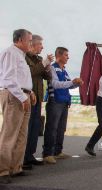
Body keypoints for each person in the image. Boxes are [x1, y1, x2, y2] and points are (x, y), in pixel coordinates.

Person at [0, 29, 36, 184]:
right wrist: (22, 96)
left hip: (23, 95)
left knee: (22, 134)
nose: (31, 43)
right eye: (29, 40)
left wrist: (30, 91)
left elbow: (20, 78)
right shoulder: (11, 53)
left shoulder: (21, 55)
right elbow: (8, 79)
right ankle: (2, 171)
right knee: (9, 135)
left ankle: (15, 168)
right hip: (15, 97)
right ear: (20, 40)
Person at [42, 47, 83, 164]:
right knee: (52, 128)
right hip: (55, 101)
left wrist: (77, 84)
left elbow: (69, 85)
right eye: (66, 55)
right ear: (59, 56)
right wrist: (72, 82)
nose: (68, 57)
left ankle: (57, 151)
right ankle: (47, 154)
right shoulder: (52, 68)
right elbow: (55, 84)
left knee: (61, 128)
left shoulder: (64, 70)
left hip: (64, 101)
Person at [23, 34, 53, 170]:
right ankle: (22, 158)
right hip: (27, 98)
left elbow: (48, 77)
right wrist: (44, 63)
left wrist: (47, 66)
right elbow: (30, 73)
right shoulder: (24, 57)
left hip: (38, 99)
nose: (42, 47)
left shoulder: (39, 59)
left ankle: (30, 155)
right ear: (33, 45)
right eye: (40, 44)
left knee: (35, 129)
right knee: (26, 129)